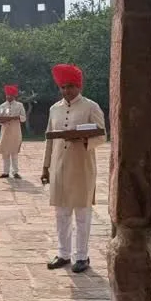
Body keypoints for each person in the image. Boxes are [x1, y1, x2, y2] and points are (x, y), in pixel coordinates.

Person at [41, 63, 106, 273]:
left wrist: (84, 139)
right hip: (59, 166)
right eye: (63, 87)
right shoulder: (54, 109)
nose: (67, 90)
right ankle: (63, 253)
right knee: (61, 212)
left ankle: (82, 256)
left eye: (70, 86)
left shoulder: (91, 107)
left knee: (82, 213)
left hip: (82, 166)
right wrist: (46, 166)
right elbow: (50, 139)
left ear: (79, 86)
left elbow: (102, 136)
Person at [0, 84, 26, 179]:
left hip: (15, 132)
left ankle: (15, 172)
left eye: (10, 95)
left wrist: (17, 117)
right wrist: (2, 120)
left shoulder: (20, 105)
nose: (8, 97)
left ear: (14, 96)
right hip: (5, 132)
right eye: (7, 95)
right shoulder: (1, 106)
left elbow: (24, 118)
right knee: (5, 153)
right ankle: (5, 172)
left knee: (14, 153)